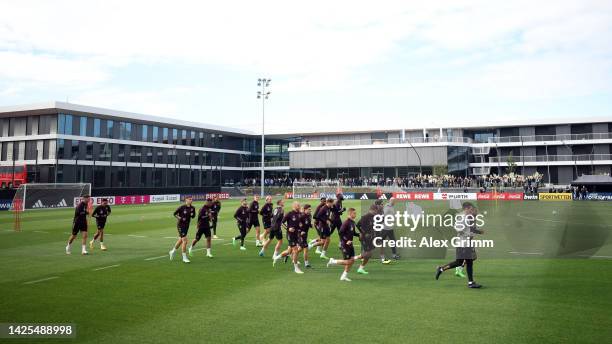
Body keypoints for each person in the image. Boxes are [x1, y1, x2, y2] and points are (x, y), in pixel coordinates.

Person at [435, 202, 484, 288]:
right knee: (463, 262)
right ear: (466, 208)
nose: (471, 211)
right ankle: (470, 282)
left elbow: (467, 228)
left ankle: (470, 282)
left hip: (465, 242)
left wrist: (473, 232)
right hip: (463, 243)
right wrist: (467, 234)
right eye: (471, 209)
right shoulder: (462, 217)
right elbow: (458, 228)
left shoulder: (465, 216)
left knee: (464, 262)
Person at [326, 208, 360, 281]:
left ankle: (344, 276)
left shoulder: (352, 222)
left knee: (352, 260)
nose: (355, 214)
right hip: (345, 244)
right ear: (350, 214)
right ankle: (332, 261)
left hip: (350, 244)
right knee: (348, 261)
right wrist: (346, 240)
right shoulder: (346, 222)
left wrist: (359, 235)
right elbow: (340, 232)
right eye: (354, 213)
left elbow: (353, 233)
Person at [273, 201, 304, 274]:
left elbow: (299, 223)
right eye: (298, 205)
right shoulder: (289, 214)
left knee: (289, 251)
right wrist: (288, 228)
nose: (299, 206)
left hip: (297, 234)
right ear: (294, 206)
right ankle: (296, 268)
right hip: (290, 235)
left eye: (299, 205)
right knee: (295, 250)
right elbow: (282, 223)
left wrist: (301, 228)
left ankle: (276, 258)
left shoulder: (300, 214)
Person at [355, 204, 381, 275]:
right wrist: (363, 233)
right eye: (376, 211)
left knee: (367, 253)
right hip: (364, 238)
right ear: (372, 210)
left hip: (370, 238)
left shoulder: (374, 217)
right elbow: (358, 225)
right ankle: (360, 268)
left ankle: (353, 258)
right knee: (368, 254)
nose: (376, 212)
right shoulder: (365, 217)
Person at [170, 196, 196, 263]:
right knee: (185, 240)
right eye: (190, 199)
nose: (191, 200)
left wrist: (192, 214)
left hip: (187, 226)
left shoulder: (193, 208)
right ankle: (184, 258)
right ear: (186, 200)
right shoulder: (182, 207)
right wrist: (180, 218)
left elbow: (193, 216)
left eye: (191, 199)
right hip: (180, 225)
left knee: (180, 240)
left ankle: (172, 251)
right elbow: (174, 214)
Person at [379, 198, 399, 264]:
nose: (395, 202)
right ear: (392, 201)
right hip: (385, 228)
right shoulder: (387, 207)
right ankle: (382, 256)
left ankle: (394, 255)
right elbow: (383, 215)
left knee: (392, 241)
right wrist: (383, 223)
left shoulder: (392, 207)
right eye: (394, 201)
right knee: (381, 242)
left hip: (390, 228)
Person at [298, 204, 313, 268]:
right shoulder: (301, 216)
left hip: (305, 234)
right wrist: (300, 231)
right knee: (306, 248)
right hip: (300, 235)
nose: (310, 210)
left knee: (301, 248)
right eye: (309, 209)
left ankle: (290, 254)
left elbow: (308, 224)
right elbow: (296, 224)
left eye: (310, 209)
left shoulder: (308, 216)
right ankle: (306, 264)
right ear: (305, 210)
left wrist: (311, 225)